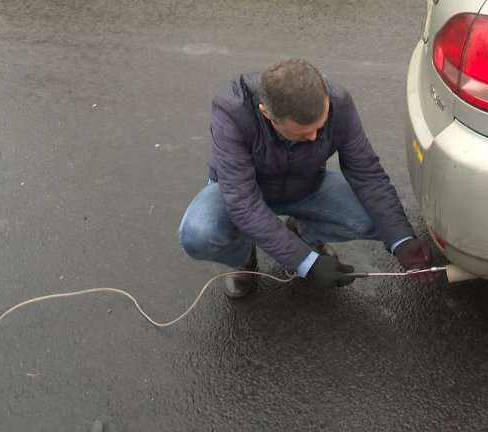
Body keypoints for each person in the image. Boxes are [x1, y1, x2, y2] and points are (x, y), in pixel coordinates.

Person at [178, 58, 437, 298]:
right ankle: (241, 257)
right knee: (198, 233)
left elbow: (366, 173)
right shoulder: (232, 112)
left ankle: (303, 233)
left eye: (320, 127)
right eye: (302, 134)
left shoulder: (339, 102)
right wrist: (307, 262)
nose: (314, 137)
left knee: (374, 219)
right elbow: (243, 204)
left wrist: (402, 239)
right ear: (266, 112)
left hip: (307, 187)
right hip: (242, 193)